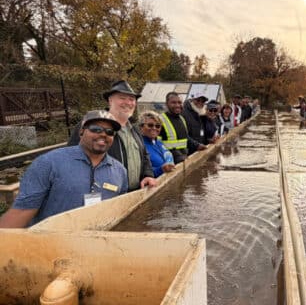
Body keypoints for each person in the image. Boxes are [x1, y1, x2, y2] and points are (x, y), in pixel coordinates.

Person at [0, 110, 128, 228]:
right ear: (81, 132)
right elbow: (21, 211)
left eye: (109, 132)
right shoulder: (48, 163)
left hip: (97, 245)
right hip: (52, 246)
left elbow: (120, 211)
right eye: (96, 129)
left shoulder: (120, 171)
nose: (103, 134)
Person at [68, 80, 157, 191]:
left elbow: (144, 155)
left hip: (135, 194)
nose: (128, 103)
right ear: (110, 100)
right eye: (122, 98)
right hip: (105, 195)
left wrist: (148, 175)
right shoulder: (90, 125)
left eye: (131, 99)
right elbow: (72, 158)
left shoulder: (134, 129)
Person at [159, 92, 196, 164]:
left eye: (179, 102)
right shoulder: (160, 120)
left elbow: (186, 138)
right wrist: (176, 155)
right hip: (169, 163)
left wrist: (198, 145)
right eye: (173, 102)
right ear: (166, 104)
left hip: (183, 160)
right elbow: (156, 144)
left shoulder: (181, 119)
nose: (177, 105)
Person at [139, 111, 175, 178]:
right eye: (150, 125)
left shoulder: (159, 142)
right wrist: (161, 169)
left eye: (158, 126)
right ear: (141, 127)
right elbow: (140, 172)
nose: (154, 128)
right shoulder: (139, 145)